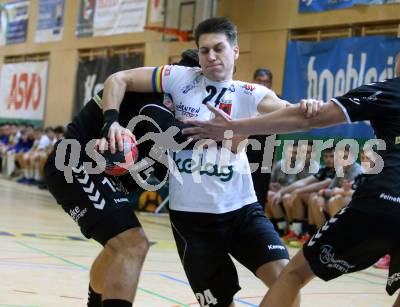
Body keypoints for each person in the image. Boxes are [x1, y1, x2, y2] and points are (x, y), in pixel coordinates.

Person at [183, 25, 400, 307]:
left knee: (293, 274)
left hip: (390, 196)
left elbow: (308, 120)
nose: (397, 58)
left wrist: (233, 128)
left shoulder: (393, 90)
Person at [98, 17, 318, 307]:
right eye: (204, 50)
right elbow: (118, 79)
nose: (211, 56)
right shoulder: (179, 78)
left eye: (219, 48)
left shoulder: (250, 92)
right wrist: (111, 123)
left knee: (285, 282)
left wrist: (306, 108)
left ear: (235, 51)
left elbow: (291, 115)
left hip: (242, 211)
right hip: (192, 221)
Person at [44, 50, 200, 307]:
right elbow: (157, 123)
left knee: (118, 247)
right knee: (133, 244)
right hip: (74, 164)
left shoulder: (180, 105)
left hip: (106, 175)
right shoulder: (158, 92)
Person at [247, 68, 275, 207]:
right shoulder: (245, 98)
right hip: (245, 148)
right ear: (253, 81)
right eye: (260, 81)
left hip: (267, 151)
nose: (263, 85)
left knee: (260, 192)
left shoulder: (276, 101)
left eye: (266, 82)